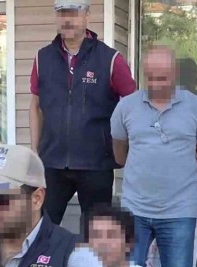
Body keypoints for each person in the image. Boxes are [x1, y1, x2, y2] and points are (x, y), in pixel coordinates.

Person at [112, 45, 197, 267]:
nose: (156, 84)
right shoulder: (125, 107)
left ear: (175, 74)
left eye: (162, 78)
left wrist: (183, 174)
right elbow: (120, 154)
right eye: (150, 77)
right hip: (135, 209)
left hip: (179, 210)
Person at [29, 0, 136, 227]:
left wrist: (123, 148)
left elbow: (132, 106)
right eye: (62, 13)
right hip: (52, 162)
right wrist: (35, 151)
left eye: (74, 13)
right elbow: (36, 106)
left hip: (96, 163)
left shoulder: (110, 59)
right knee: (41, 228)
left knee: (96, 231)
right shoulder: (42, 58)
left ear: (87, 15)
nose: (67, 19)